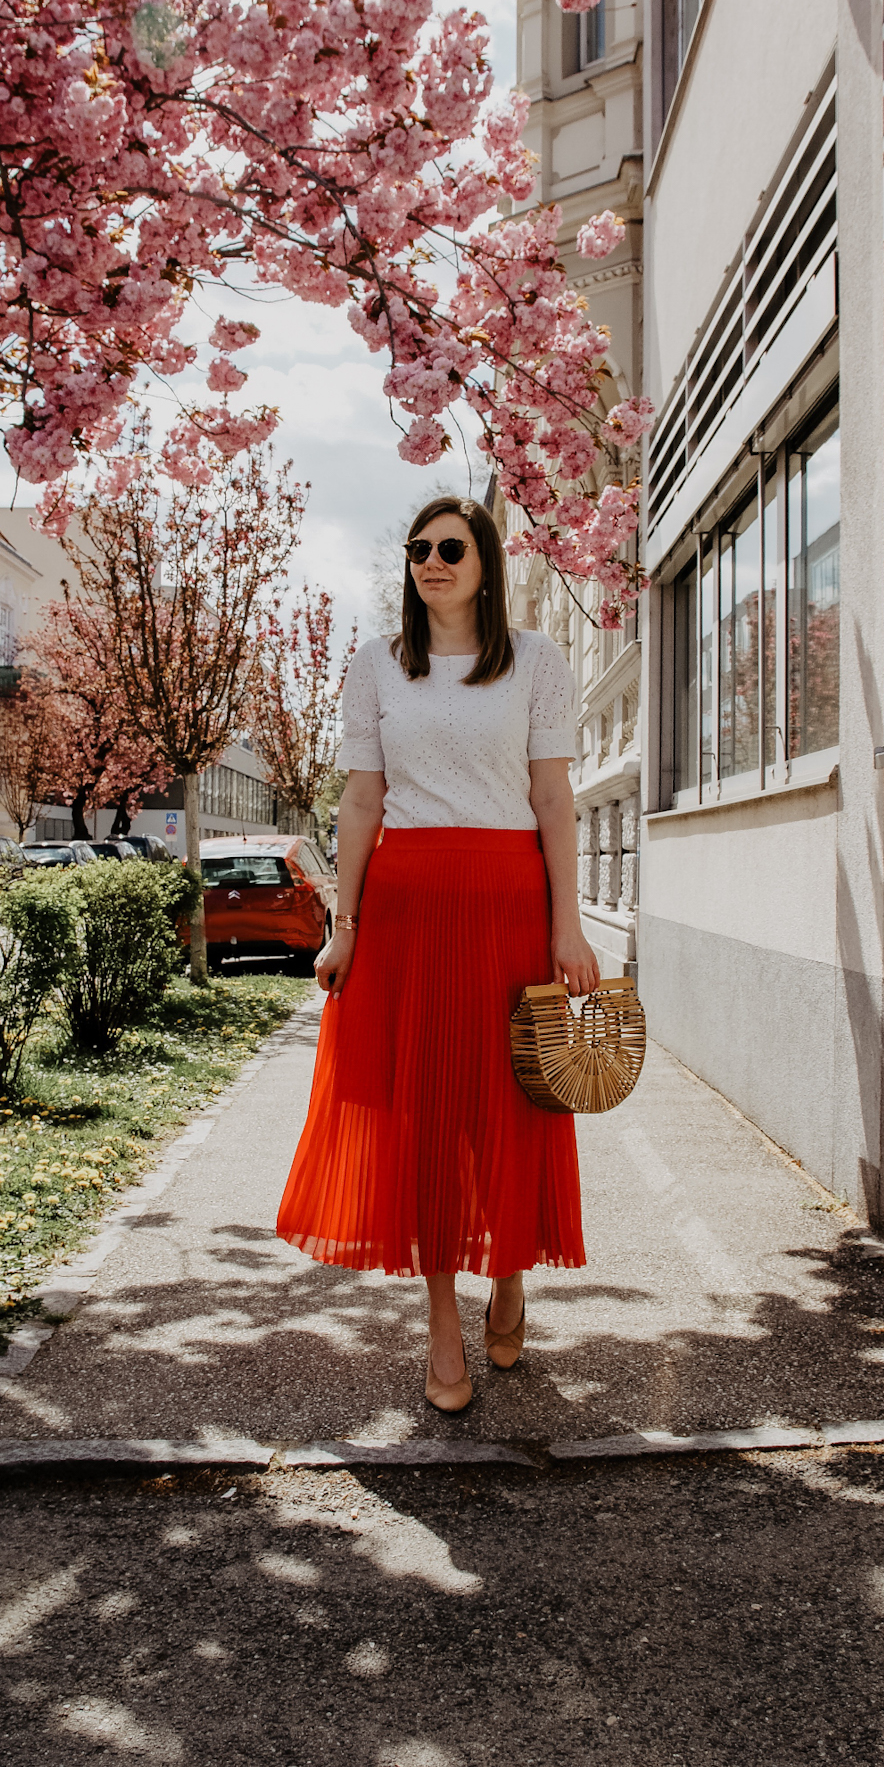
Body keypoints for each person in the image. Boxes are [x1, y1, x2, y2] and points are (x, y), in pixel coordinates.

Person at [275, 493, 600, 1412]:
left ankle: (507, 1273)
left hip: (506, 897)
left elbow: (552, 801)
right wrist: (346, 926)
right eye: (417, 548)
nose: (429, 561)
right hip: (409, 903)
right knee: (421, 1109)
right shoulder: (377, 665)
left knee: (508, 1101)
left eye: (449, 548)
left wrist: (566, 925)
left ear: (485, 563)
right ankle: (442, 1325)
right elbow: (360, 804)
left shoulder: (535, 660)